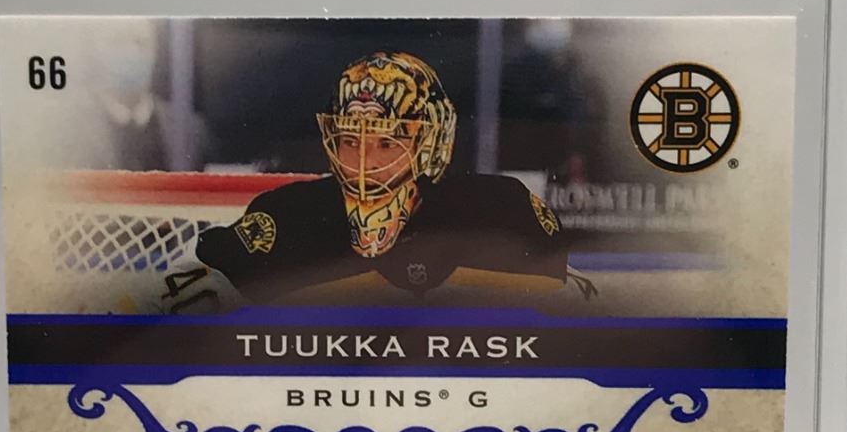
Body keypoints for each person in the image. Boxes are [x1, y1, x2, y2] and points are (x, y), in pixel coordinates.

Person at [192, 50, 569, 303]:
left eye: (386, 143)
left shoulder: (499, 206)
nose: (364, 161)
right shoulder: (286, 214)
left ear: (427, 144)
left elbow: (568, 298)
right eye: (350, 141)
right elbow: (197, 287)